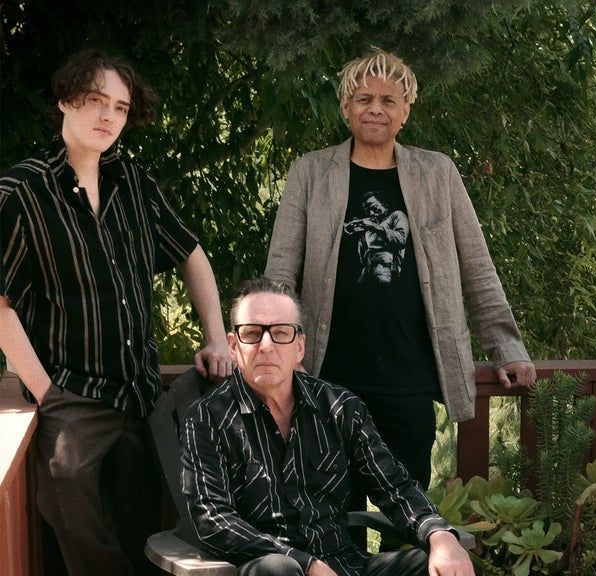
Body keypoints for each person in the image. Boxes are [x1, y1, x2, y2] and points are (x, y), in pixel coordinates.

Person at [0, 48, 233, 576]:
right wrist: (48, 395)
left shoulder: (133, 182)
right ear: (65, 101)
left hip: (140, 394)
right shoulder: (21, 191)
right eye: (95, 100)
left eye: (121, 107)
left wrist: (217, 338)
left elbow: (192, 254)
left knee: (144, 530)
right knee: (75, 523)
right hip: (73, 395)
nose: (109, 116)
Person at [264, 47, 535, 493]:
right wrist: (272, 351)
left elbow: (477, 267)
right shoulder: (310, 173)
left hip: (410, 377)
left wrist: (506, 348)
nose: (376, 109)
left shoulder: (437, 173)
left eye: (388, 100)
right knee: (330, 510)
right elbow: (279, 274)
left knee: (407, 512)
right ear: (346, 107)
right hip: (326, 377)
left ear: (405, 111)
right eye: (364, 99)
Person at [181, 277, 474, 576]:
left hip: (346, 565)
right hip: (272, 568)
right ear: (233, 346)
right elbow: (212, 519)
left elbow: (394, 487)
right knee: (278, 569)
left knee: (435, 564)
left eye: (281, 333)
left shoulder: (339, 408)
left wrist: (439, 536)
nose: (266, 346)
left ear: (299, 347)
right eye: (253, 334)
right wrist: (305, 563)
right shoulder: (208, 418)